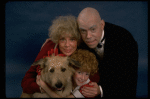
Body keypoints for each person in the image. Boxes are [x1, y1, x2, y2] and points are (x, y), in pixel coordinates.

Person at [77, 7, 138, 97]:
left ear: (102, 25)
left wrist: (101, 90)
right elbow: (65, 38)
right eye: (83, 31)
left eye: (93, 29)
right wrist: (53, 41)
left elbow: (128, 82)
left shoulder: (125, 40)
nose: (88, 36)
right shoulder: (80, 37)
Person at [21, 15, 80, 95]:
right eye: (62, 39)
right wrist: (42, 88)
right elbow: (26, 80)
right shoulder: (49, 47)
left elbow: (92, 78)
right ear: (57, 39)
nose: (67, 45)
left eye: (72, 39)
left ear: (78, 40)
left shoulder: (82, 52)